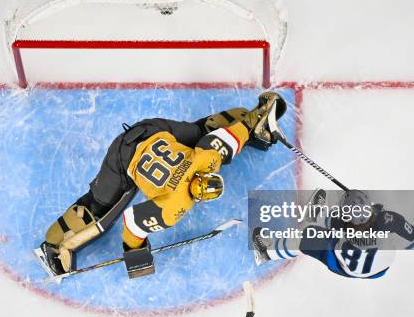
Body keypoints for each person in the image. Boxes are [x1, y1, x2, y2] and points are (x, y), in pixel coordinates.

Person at [35, 91, 287, 278]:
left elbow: (230, 137)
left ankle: (257, 126)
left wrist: (256, 118)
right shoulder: (173, 206)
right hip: (123, 155)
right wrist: (135, 252)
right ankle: (54, 247)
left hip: (152, 129)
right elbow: (131, 222)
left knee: (201, 133)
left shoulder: (206, 157)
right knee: (101, 205)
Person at [252, 189, 414, 279]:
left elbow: (335, 222)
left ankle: (267, 251)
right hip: (377, 271)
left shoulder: (340, 224)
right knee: (333, 228)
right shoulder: (390, 220)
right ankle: (316, 214)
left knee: (308, 235)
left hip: (340, 264)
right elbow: (413, 236)